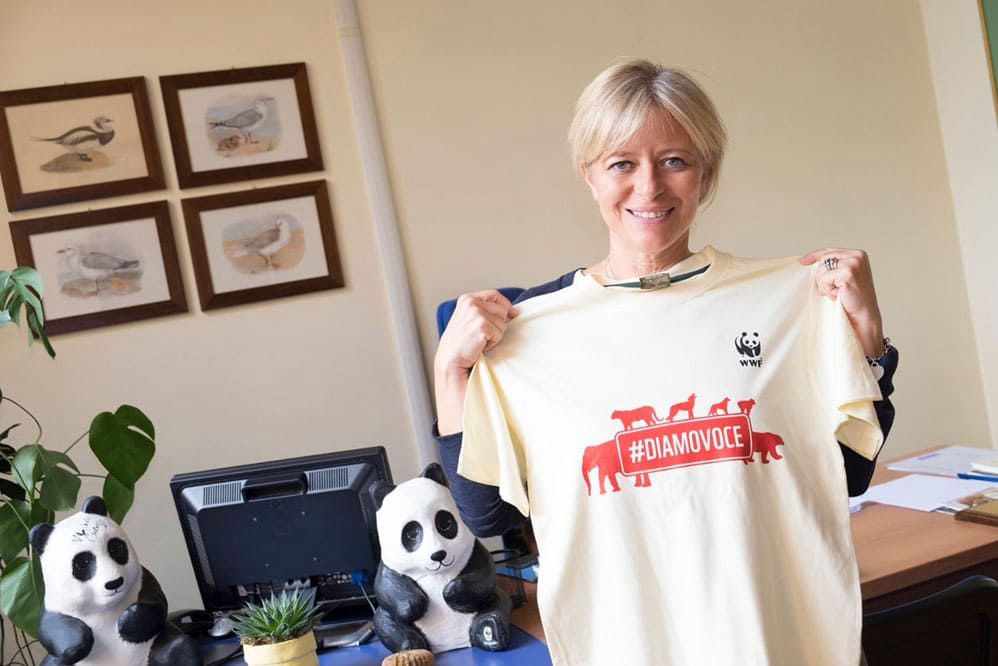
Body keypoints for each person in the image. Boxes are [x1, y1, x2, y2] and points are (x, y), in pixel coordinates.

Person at [433, 59, 897, 666]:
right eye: (622, 163)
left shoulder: (790, 301)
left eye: (674, 160)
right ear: (589, 175)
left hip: (780, 645)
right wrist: (450, 371)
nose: (649, 187)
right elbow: (487, 513)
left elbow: (849, 472)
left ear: (707, 173)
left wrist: (866, 337)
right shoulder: (528, 334)